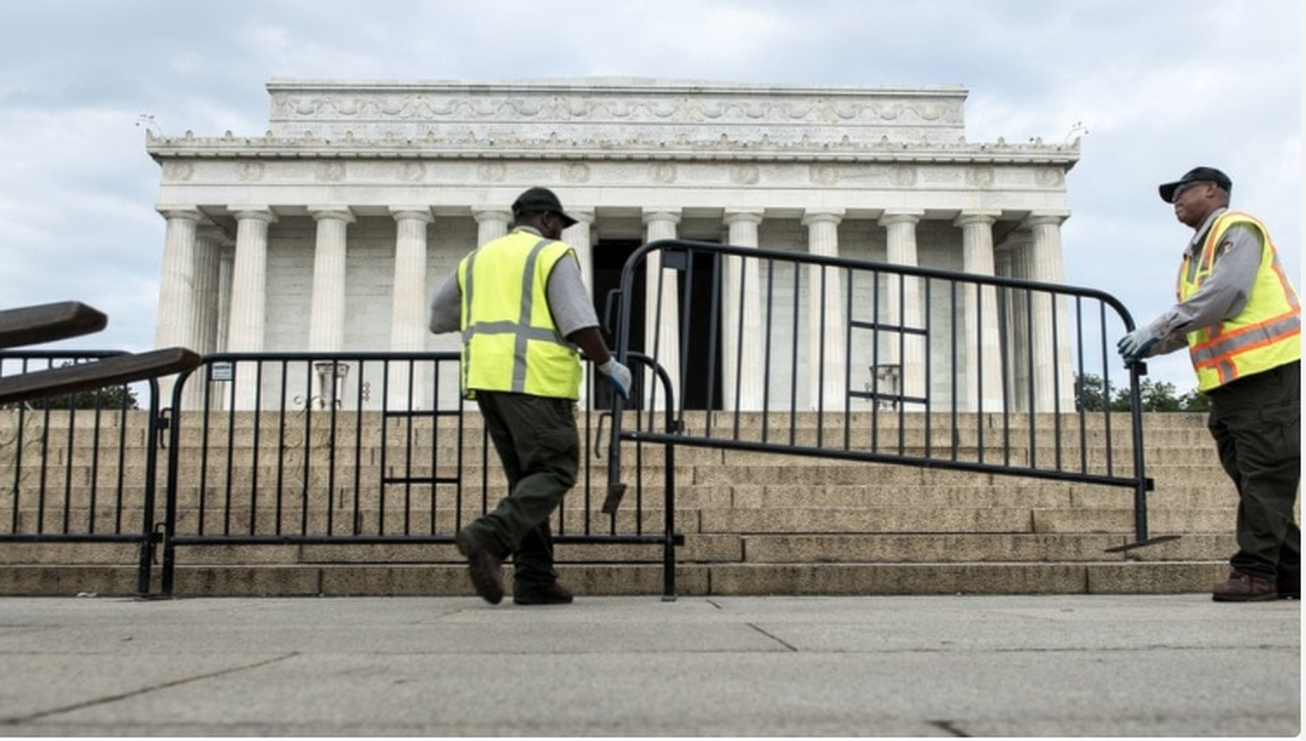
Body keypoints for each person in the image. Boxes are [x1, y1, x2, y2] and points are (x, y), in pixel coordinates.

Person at [428, 186, 632, 606]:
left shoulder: (477, 260)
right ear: (545, 219)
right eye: (559, 224)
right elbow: (577, 321)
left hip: (486, 381)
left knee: (528, 481)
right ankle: (488, 537)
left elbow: (439, 318)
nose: (561, 233)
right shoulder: (550, 256)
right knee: (556, 471)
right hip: (535, 381)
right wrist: (607, 365)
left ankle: (535, 579)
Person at [1118, 166, 1300, 602]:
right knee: (1253, 479)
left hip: (1264, 372)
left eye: (1182, 191)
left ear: (1212, 190)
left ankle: (1254, 573)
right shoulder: (1194, 255)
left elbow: (1225, 296)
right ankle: (1291, 571)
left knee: (1264, 476)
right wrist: (1153, 344)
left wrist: (1157, 326)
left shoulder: (1236, 228)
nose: (1176, 201)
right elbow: (1196, 323)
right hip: (1231, 383)